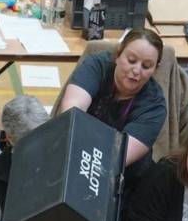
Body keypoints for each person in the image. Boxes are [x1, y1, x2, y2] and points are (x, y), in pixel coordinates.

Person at [59, 29, 167, 185]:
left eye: (147, 66)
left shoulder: (154, 107)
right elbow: (72, 115)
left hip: (120, 179)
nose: (136, 70)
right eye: (131, 60)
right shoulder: (96, 66)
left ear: (155, 69)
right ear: (118, 55)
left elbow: (116, 158)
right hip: (76, 152)